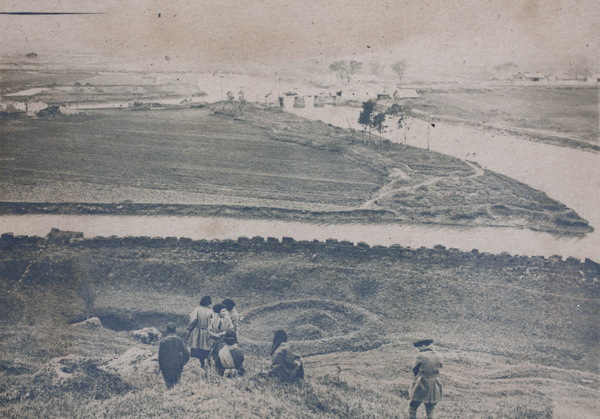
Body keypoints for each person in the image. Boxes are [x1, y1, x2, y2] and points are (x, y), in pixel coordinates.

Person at [408, 339, 443, 419]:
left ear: (423, 346)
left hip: (422, 383)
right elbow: (440, 366)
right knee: (430, 410)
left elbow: (414, 368)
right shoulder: (439, 355)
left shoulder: (421, 355)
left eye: (419, 347)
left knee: (412, 407)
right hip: (435, 384)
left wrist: (418, 376)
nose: (418, 349)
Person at [158, 323, 190, 389]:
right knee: (177, 384)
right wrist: (183, 362)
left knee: (169, 386)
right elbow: (186, 353)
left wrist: (161, 367)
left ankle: (170, 395)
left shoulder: (163, 341)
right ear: (175, 330)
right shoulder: (179, 340)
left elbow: (160, 357)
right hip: (177, 365)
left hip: (166, 367)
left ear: (167, 331)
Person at [187, 296, 213, 368]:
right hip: (206, 332)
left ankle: (196, 365)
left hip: (197, 331)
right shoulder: (210, 311)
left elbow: (194, 320)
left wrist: (189, 328)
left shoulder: (197, 309)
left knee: (195, 347)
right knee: (205, 348)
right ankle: (205, 365)